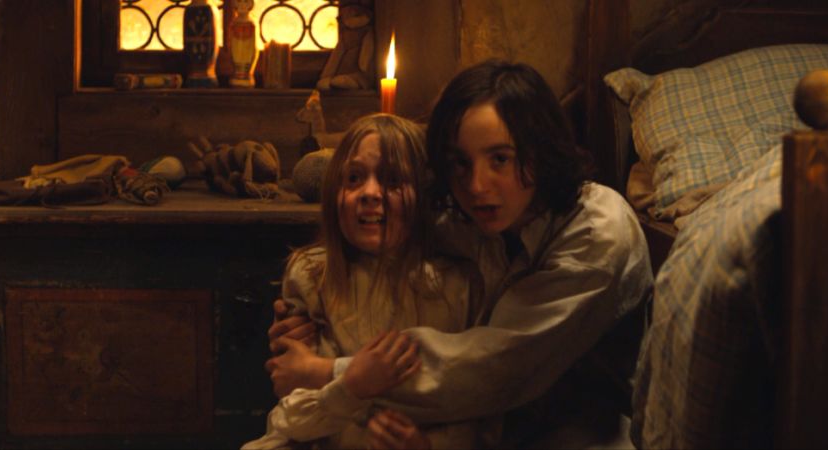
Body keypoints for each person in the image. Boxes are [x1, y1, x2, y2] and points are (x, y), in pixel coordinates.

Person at [266, 59, 653, 448]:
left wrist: (326, 372)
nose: (477, 185)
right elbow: (385, 229)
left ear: (539, 150)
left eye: (499, 159)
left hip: (577, 430)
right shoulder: (473, 216)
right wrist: (304, 314)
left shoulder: (598, 233)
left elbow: (492, 368)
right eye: (461, 163)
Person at [243, 114, 497, 449]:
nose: (370, 193)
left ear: (423, 195)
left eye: (392, 180)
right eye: (354, 178)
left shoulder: (460, 285)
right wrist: (350, 388)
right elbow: (292, 408)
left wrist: (426, 445)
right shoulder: (313, 273)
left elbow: (475, 408)